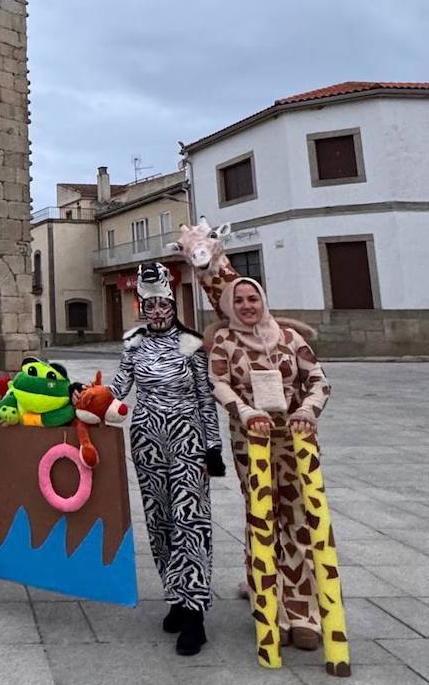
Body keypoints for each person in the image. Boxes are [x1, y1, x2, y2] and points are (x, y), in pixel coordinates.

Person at [208, 276, 331, 650]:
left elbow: (319, 380)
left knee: (300, 518)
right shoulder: (225, 342)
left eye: (253, 299)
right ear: (230, 305)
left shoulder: (290, 339)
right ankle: (270, 606)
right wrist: (244, 413)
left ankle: (303, 613)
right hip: (253, 444)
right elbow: (218, 383)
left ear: (262, 301)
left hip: (296, 443)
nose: (247, 306)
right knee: (262, 518)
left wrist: (308, 411)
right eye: (240, 300)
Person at [110, 262, 226, 656]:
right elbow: (118, 389)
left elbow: (205, 398)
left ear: (173, 304)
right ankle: (176, 595)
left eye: (164, 304)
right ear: (141, 308)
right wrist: (83, 404)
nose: (158, 311)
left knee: (189, 520)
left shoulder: (191, 343)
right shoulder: (132, 343)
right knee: (159, 519)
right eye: (151, 305)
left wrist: (214, 446)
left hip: (185, 437)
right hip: (146, 438)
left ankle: (196, 613)